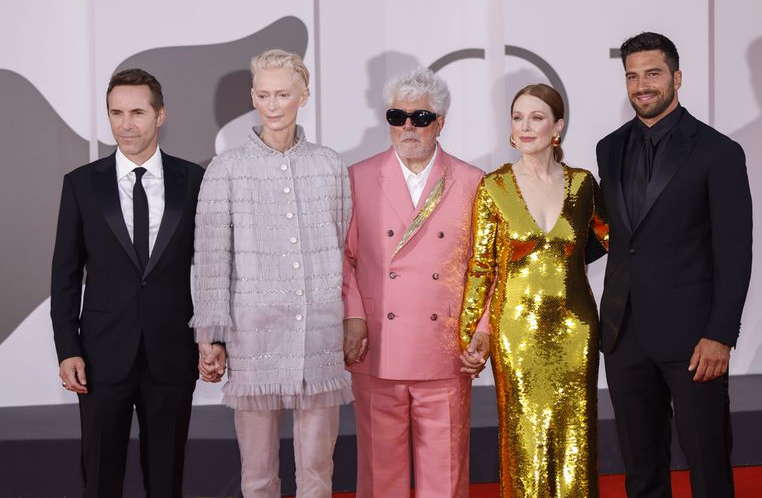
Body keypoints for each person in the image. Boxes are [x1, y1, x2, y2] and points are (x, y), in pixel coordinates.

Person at [596, 32, 752, 497]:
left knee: (707, 466)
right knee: (641, 470)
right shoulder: (609, 147)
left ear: (676, 78)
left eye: (653, 73)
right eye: (632, 75)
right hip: (624, 335)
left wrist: (721, 334)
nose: (642, 85)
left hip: (694, 339)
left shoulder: (717, 151)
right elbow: (616, 236)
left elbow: (734, 250)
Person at [190, 49, 352, 498]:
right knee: (258, 475)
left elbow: (344, 247)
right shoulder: (227, 168)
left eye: (283, 94)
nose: (273, 104)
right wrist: (210, 334)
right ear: (252, 97)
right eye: (263, 94)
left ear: (304, 94)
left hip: (319, 338)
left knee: (318, 471)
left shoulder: (330, 165)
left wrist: (349, 319)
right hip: (253, 336)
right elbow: (210, 259)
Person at [51, 68, 204, 497]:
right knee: (100, 478)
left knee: (166, 479)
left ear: (160, 115)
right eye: (116, 113)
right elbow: (64, 273)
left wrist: (214, 338)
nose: (126, 123)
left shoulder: (193, 181)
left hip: (172, 351)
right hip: (100, 355)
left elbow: (211, 268)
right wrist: (68, 349)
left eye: (137, 111)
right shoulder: (81, 185)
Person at [459, 83, 609, 497]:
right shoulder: (494, 187)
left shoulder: (583, 185)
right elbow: (481, 266)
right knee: (523, 439)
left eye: (537, 117)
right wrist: (471, 331)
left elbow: (613, 240)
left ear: (557, 127)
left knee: (576, 438)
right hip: (516, 331)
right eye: (518, 117)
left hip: (576, 330)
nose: (525, 127)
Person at [342, 68, 484, 498]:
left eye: (420, 118)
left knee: (445, 474)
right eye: (397, 116)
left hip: (444, 349)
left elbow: (486, 268)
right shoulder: (357, 177)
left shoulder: (472, 182)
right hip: (377, 346)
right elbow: (344, 257)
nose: (407, 127)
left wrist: (482, 330)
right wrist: (353, 317)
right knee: (379, 473)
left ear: (440, 122)